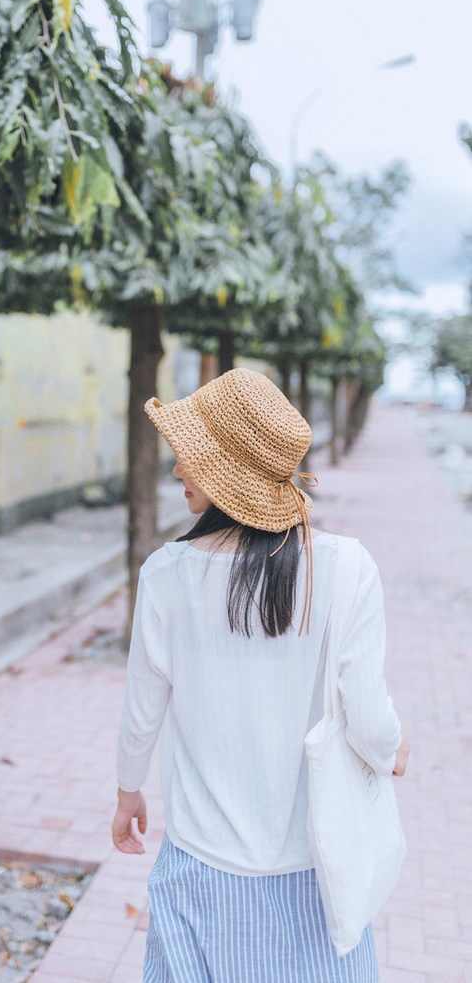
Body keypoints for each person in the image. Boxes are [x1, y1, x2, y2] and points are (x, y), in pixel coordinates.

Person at [112, 368, 409, 983]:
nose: (177, 472)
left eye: (190, 458)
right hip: (316, 870)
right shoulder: (347, 567)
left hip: (199, 865)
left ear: (226, 469)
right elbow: (370, 718)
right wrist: (394, 749)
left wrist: (128, 790)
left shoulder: (166, 573)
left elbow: (143, 706)